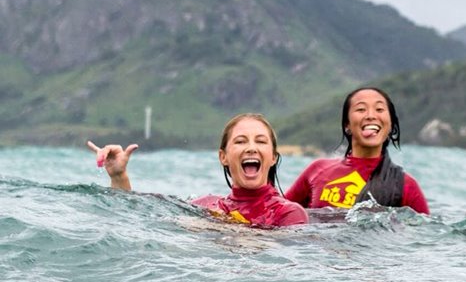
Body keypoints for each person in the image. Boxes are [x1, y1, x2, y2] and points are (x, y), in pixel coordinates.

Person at [87, 113, 308, 227]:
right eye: (240, 141)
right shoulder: (205, 205)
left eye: (260, 141)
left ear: (273, 158)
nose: (251, 147)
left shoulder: (289, 214)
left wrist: (219, 229)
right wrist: (119, 177)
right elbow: (132, 216)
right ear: (223, 156)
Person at [285, 87, 430, 214]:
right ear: (347, 124)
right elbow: (279, 214)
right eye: (361, 109)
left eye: (379, 109)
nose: (371, 116)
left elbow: (424, 237)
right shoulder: (317, 170)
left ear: (391, 125)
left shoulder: (405, 186)